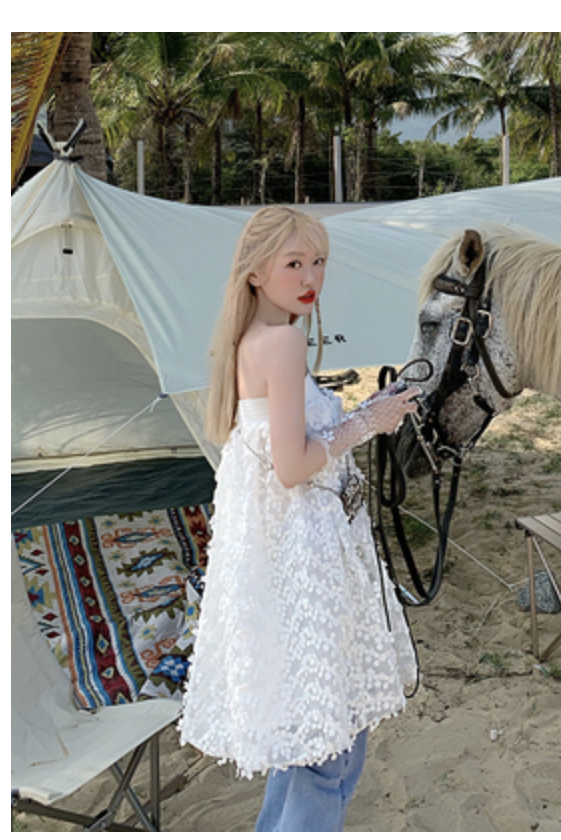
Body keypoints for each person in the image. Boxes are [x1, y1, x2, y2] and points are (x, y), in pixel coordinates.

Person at [179, 206, 419, 831]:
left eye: (318, 262)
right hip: (302, 561)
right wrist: (367, 422)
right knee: (328, 750)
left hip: (284, 558)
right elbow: (293, 466)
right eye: (294, 263)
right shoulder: (282, 342)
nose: (311, 277)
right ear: (255, 272)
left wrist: (362, 413)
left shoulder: (254, 338)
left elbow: (287, 447)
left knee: (308, 739)